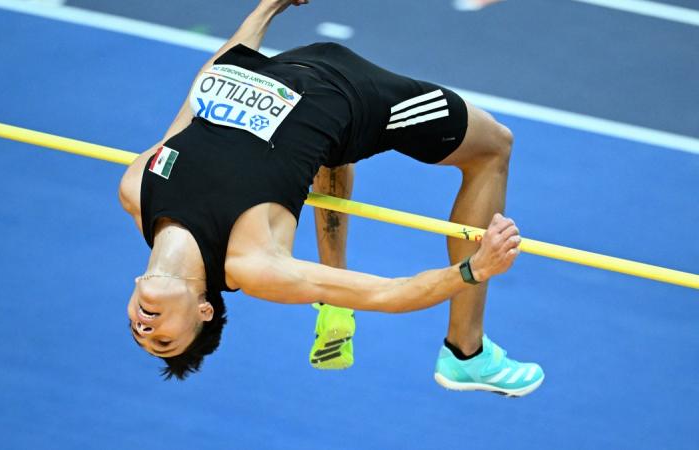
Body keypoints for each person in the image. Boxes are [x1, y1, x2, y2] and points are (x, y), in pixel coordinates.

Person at [118, 0, 544, 396]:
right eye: (164, 340)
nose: (145, 328)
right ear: (203, 311)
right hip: (362, 97)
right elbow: (387, 293)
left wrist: (268, 7)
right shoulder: (253, 263)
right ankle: (465, 352)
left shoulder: (138, 188)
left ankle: (334, 312)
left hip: (288, 68)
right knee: (493, 147)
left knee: (318, 153)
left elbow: (200, 96)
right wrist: (474, 268)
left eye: (138, 333)